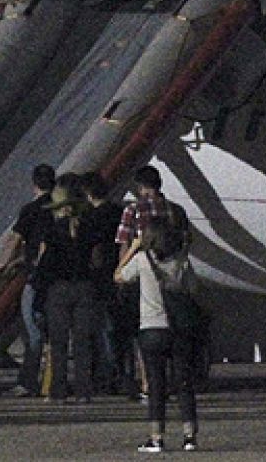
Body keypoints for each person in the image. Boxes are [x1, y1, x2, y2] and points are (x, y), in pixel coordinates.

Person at [115, 218, 201, 453]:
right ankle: (189, 436)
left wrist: (133, 248)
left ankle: (156, 438)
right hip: (178, 329)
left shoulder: (143, 260)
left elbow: (119, 276)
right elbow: (193, 289)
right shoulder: (181, 262)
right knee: (184, 383)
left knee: (156, 385)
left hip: (151, 329)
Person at [0, 163, 56, 397]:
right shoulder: (60, 210)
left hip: (35, 278)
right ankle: (53, 381)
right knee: (53, 330)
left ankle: (28, 381)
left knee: (32, 331)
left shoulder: (30, 210)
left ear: (34, 184)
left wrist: (1, 267)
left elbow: (15, 240)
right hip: (57, 277)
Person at [35, 185, 102, 403]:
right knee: (83, 342)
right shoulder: (90, 229)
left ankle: (59, 390)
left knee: (59, 343)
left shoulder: (52, 231)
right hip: (84, 287)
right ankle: (83, 391)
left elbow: (44, 262)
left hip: (58, 289)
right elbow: (97, 261)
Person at [84, 177, 128, 394]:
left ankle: (105, 376)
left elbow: (95, 249)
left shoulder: (92, 217)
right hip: (118, 272)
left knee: (101, 329)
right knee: (114, 329)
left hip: (99, 278)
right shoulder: (119, 212)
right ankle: (119, 374)